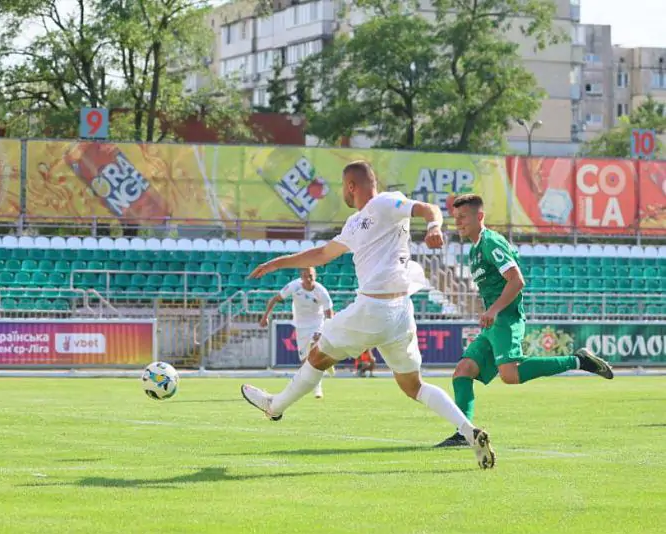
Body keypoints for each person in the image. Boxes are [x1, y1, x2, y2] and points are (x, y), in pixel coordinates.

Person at [240, 160, 496, 469]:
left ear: (351, 185)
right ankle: (469, 431)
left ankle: (275, 405)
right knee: (414, 386)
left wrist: (434, 226)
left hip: (374, 308)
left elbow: (430, 208)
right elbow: (322, 255)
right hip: (400, 313)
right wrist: (278, 262)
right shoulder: (354, 223)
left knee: (318, 357)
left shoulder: (385, 202)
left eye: (342, 186)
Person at [434, 194, 614, 447]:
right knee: (463, 370)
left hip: (505, 318)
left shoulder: (490, 243)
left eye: (463, 217)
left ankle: (579, 360)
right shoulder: (475, 249)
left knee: (510, 375)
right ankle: (465, 433)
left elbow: (517, 281)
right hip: (493, 323)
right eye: (456, 219)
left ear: (480, 216)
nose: (459, 223)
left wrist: (494, 310)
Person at [259, 267, 334, 398]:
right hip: (301, 326)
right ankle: (326, 361)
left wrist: (324, 330)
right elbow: (274, 299)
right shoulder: (294, 286)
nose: (308, 279)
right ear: (301, 277)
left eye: (310, 276)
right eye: (305, 276)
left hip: (317, 323)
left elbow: (329, 313)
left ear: (315, 276)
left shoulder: (321, 291)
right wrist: (265, 316)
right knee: (306, 361)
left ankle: (318, 388)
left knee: (315, 349)